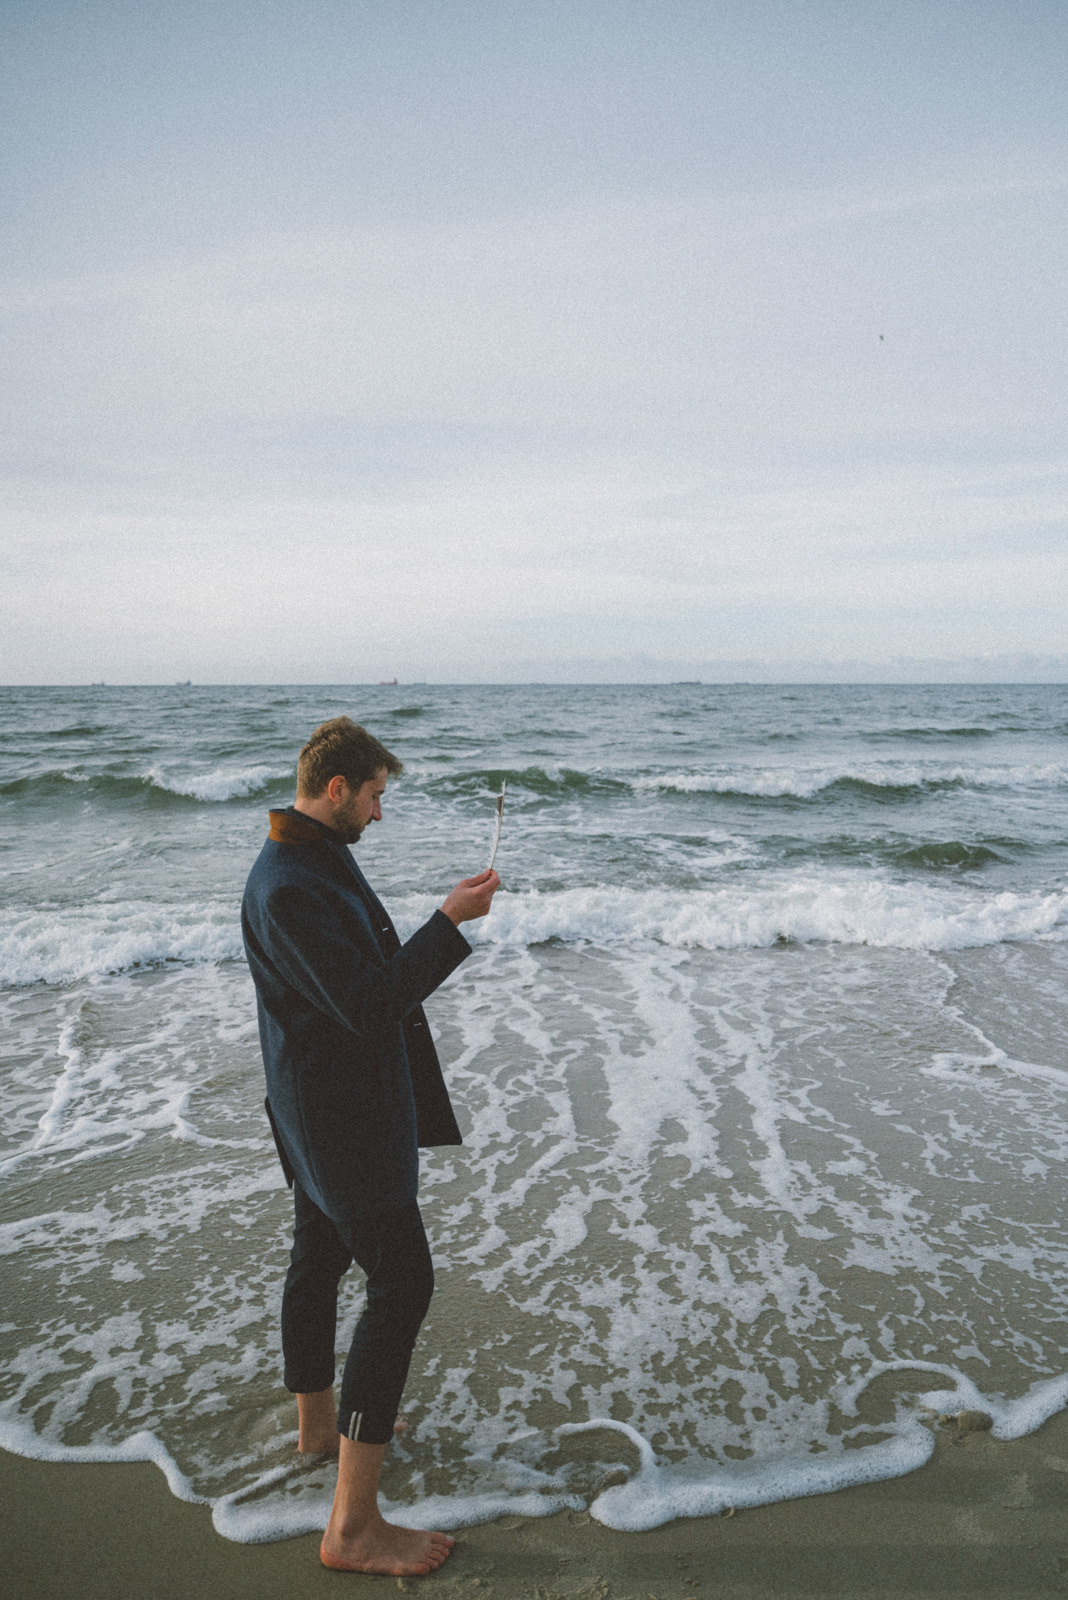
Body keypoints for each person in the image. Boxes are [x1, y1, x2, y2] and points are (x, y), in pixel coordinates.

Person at [241, 716, 499, 1576]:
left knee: (316, 1257)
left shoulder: (310, 856)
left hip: (315, 1104)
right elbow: (366, 1000)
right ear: (339, 787)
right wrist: (450, 921)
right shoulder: (287, 885)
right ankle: (352, 1528)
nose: (381, 814)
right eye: (378, 796)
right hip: (338, 1116)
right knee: (404, 1280)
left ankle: (320, 1432)